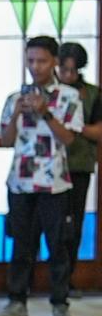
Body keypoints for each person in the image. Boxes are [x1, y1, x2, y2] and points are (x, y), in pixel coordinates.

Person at [0, 37, 84, 316]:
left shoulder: (69, 96)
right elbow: (5, 140)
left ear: (54, 61)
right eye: (30, 60)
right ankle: (17, 300)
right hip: (20, 182)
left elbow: (69, 139)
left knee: (58, 245)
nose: (35, 67)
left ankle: (60, 303)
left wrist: (45, 112)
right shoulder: (14, 98)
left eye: (42, 61)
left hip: (55, 183)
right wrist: (17, 114)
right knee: (21, 244)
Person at [57, 41, 102, 296]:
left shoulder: (92, 94)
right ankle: (30, 279)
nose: (67, 75)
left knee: (73, 226)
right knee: (44, 224)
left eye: (72, 71)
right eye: (63, 70)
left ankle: (67, 280)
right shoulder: (48, 91)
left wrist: (77, 127)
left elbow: (98, 130)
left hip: (79, 166)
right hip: (48, 166)